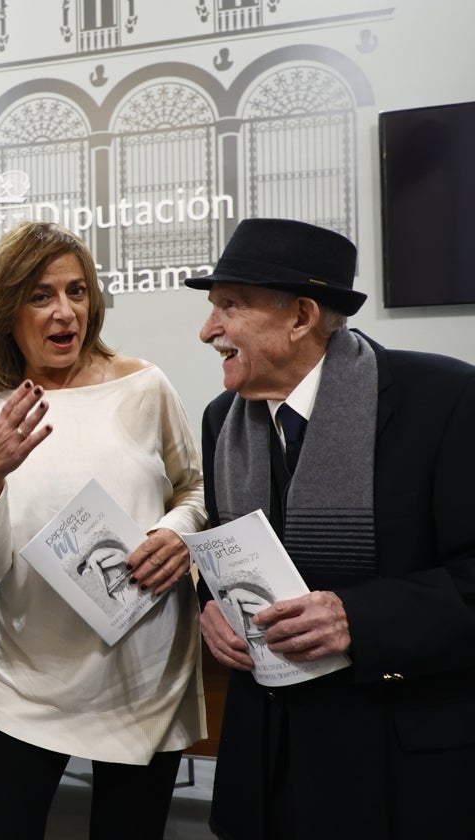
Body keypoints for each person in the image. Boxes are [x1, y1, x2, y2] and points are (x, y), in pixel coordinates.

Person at [188, 217, 475, 839]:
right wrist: (209, 607)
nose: (208, 330)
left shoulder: (446, 399)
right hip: (267, 768)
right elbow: (229, 558)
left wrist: (359, 618)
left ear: (302, 317)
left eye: (229, 307)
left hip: (391, 771)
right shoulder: (222, 421)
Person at [0, 220, 207, 839]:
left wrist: (176, 531)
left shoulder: (144, 386)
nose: (64, 312)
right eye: (40, 295)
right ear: (6, 310)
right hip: (25, 684)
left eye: (77, 291)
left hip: (143, 679)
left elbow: (196, 488)